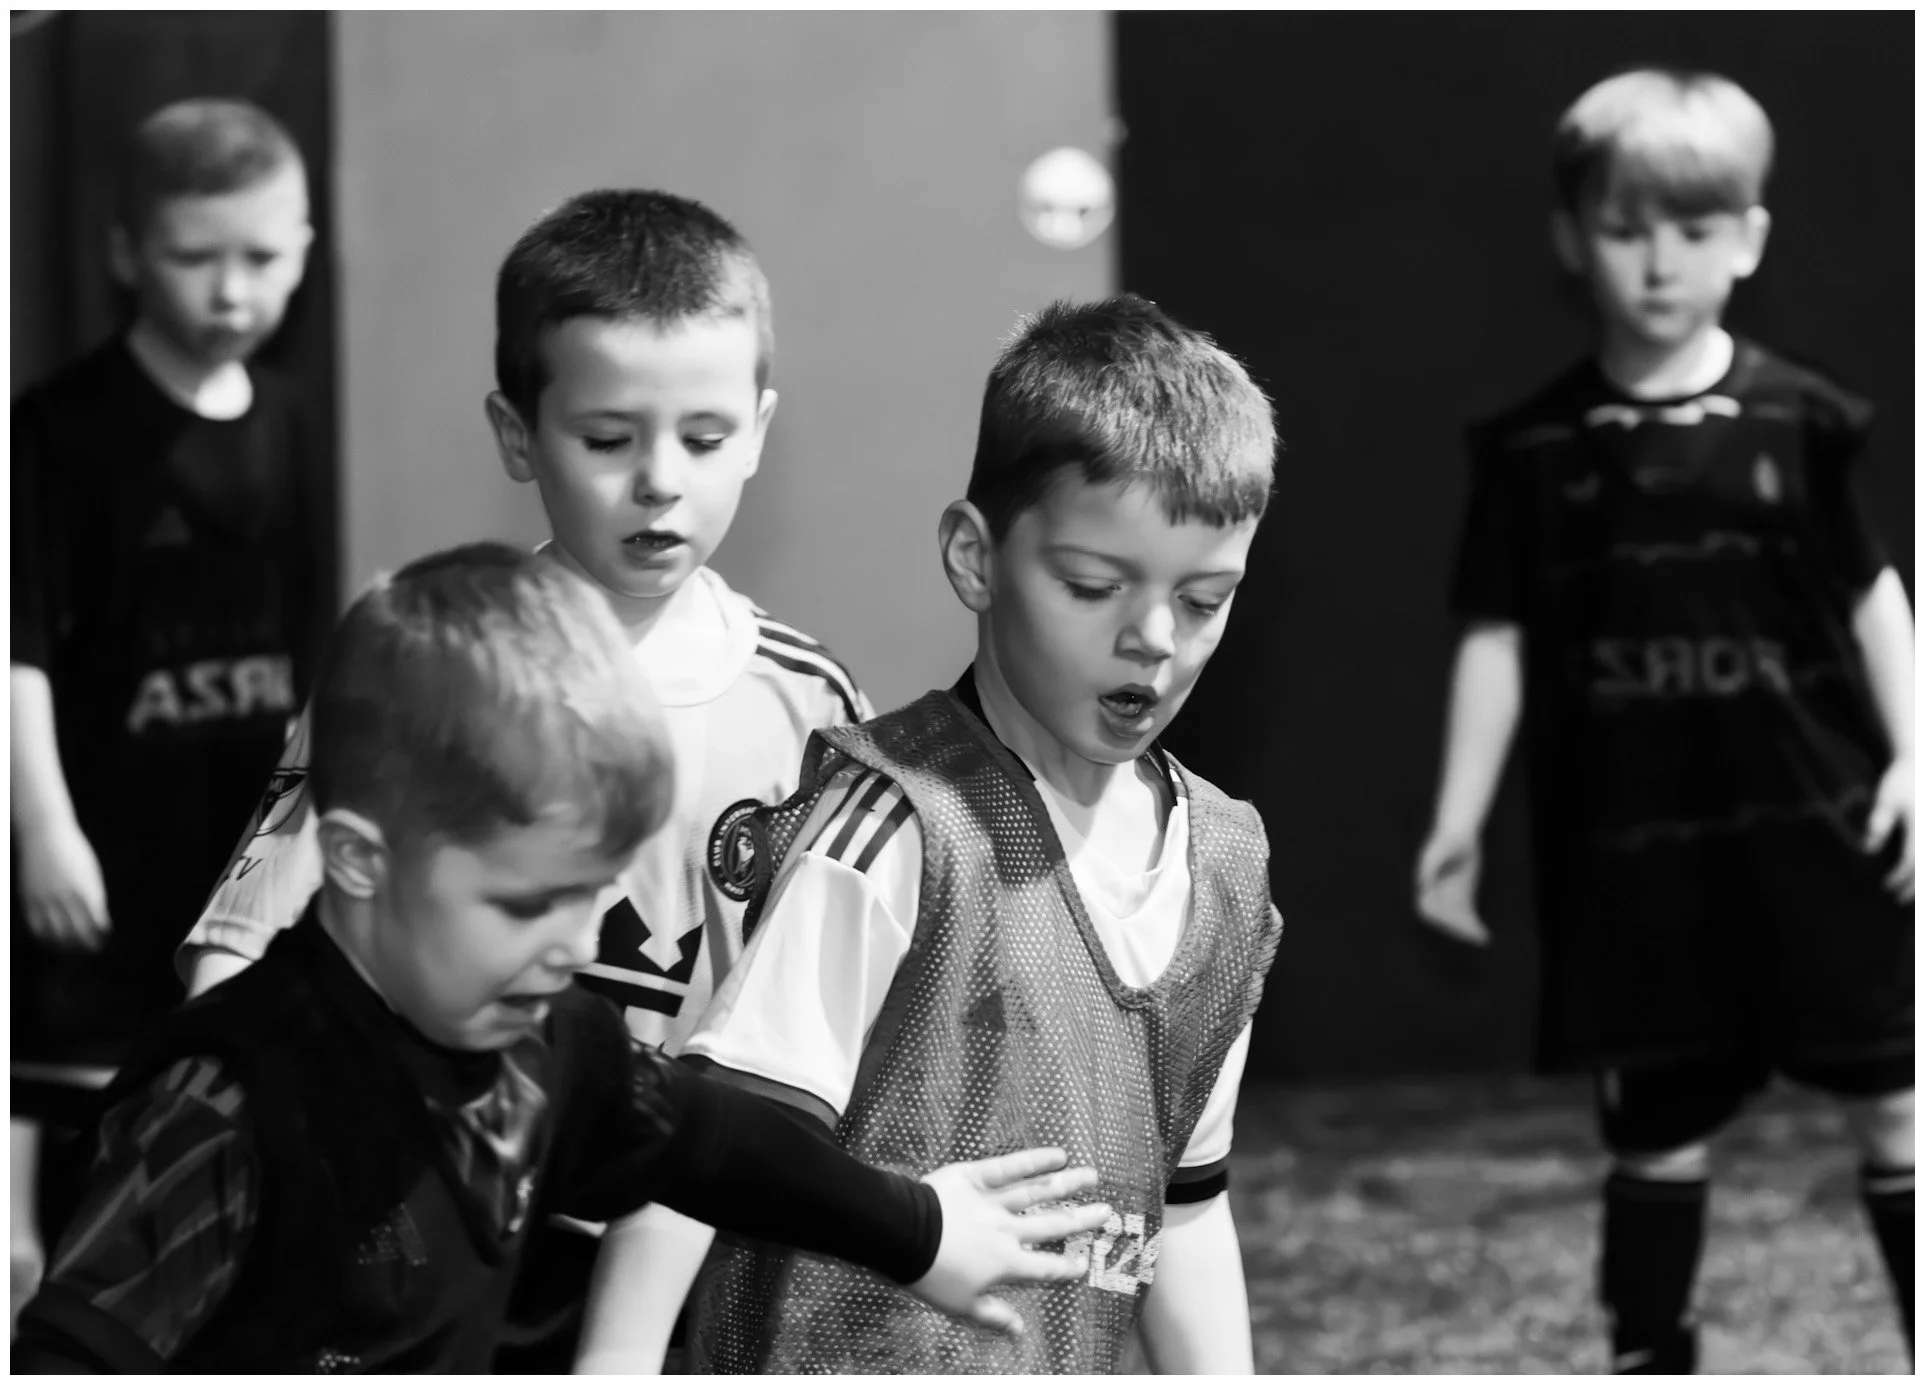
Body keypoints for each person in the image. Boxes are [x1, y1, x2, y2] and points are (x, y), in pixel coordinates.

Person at [10, 543, 1113, 1372]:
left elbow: (703, 1136)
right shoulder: (222, 1103)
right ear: (354, 860)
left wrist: (918, 1229)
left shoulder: (544, 1042)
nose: (580, 942)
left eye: (595, 890)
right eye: (526, 899)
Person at [171, 189, 873, 1361]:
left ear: (756, 430)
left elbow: (780, 1051)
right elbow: (239, 945)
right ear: (516, 433)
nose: (659, 479)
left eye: (703, 438)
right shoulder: (424, 659)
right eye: (608, 439)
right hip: (414, 1236)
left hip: (682, 1257)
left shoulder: (812, 709)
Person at [1414, 67, 1915, 1376]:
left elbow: (1871, 595)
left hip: (1815, 826)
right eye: (1627, 229)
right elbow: (1496, 641)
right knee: (1654, 1125)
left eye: (1693, 228)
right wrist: (1456, 824)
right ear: (1573, 238)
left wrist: (1913, 763)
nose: (1660, 262)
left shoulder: (1804, 420)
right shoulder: (1533, 452)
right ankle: (1652, 1352)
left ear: (1748, 238)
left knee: (1898, 1095)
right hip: (1634, 856)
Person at [574, 295, 1284, 1374]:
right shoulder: (893, 824)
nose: (1152, 638)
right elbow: (715, 1150)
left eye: (1203, 598)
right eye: (1093, 586)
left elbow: (1183, 1209)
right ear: (973, 556)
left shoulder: (1224, 865)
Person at [10, 97, 324, 1328]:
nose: (232, 290)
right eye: (198, 258)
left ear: (302, 246)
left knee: (210, 1061)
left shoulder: (291, 418)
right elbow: (17, 646)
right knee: (70, 1067)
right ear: (129, 253)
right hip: (96, 828)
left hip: (235, 821)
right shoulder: (56, 430)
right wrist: (41, 825)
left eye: (259, 256)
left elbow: (308, 644)